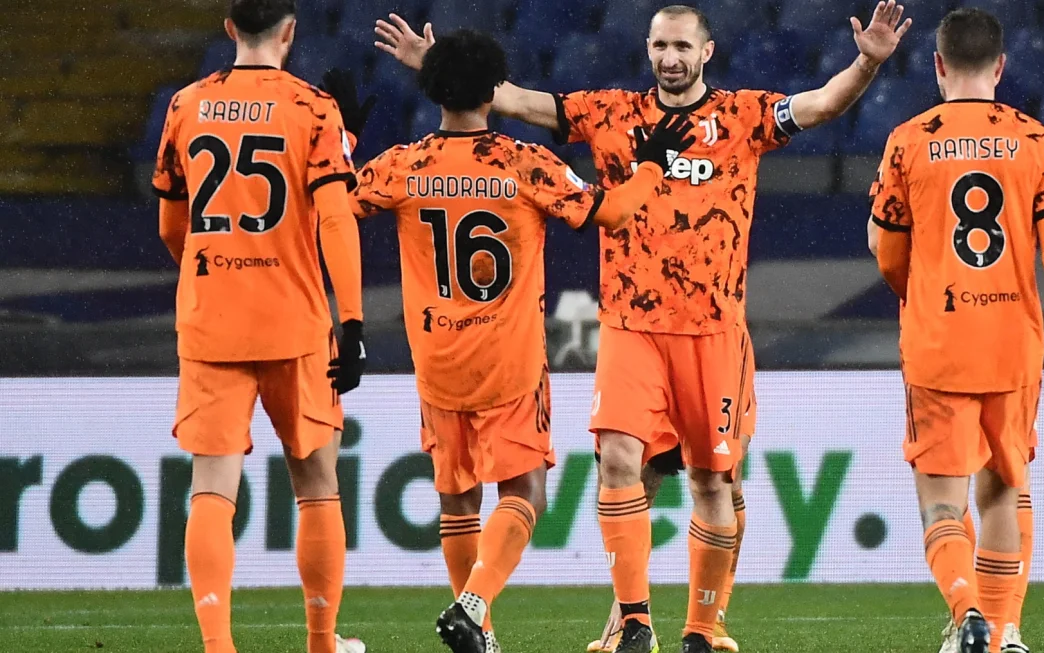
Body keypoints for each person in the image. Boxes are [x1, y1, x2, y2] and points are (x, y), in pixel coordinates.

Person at [375, 4, 910, 652]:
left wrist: (867, 62)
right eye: (659, 45)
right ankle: (634, 623)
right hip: (629, 323)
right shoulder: (609, 113)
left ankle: (701, 630)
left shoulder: (743, 116)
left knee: (714, 480)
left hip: (713, 329)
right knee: (618, 463)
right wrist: (437, 70)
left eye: (682, 46)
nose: (669, 58)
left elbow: (821, 104)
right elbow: (514, 98)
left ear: (706, 52)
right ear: (648, 49)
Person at [333, 28, 696, 653]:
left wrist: (340, 141)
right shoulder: (524, 163)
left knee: (456, 500)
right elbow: (608, 213)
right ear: (494, 91)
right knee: (524, 492)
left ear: (432, 90)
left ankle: (484, 635)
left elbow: (332, 205)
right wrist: (651, 168)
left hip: (436, 357)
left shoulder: (404, 163)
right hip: (508, 358)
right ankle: (474, 605)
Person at [868, 8, 1044, 653]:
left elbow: (887, 251)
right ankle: (1005, 632)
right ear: (1000, 66)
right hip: (1012, 345)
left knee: (943, 504)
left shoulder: (908, 140)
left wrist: (914, 287)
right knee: (1003, 488)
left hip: (938, 344)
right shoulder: (1037, 140)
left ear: (938, 65)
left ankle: (965, 613)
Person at [151, 1, 369, 652]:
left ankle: (219, 647)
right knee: (317, 483)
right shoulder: (313, 108)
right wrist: (352, 322)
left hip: (211, 319)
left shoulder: (185, 104)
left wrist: (212, 268)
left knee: (212, 490)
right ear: (290, 31)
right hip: (294, 322)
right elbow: (336, 220)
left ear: (228, 30)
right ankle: (321, 642)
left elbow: (171, 227)